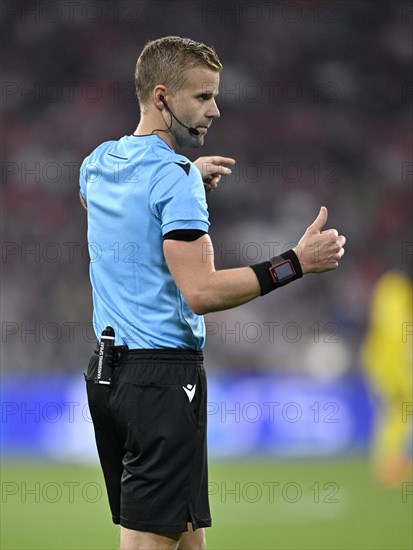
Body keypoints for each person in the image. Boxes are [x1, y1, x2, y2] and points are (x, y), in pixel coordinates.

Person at [79, 36, 346, 550]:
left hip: (108, 378)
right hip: (162, 379)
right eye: (202, 97)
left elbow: (125, 215)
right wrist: (295, 263)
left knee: (185, 537)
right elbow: (200, 291)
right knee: (148, 543)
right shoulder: (172, 178)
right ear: (162, 98)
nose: (215, 110)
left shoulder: (97, 165)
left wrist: (184, 179)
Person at [361, 270, 412, 487]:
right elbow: (398, 335)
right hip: (393, 368)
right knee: (398, 414)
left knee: (392, 416)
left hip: (379, 364)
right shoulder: (397, 293)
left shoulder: (387, 290)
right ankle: (390, 465)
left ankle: (389, 464)